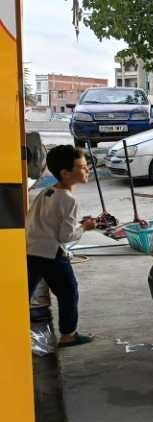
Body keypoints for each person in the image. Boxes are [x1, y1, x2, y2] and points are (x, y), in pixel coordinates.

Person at [26, 145, 97, 347]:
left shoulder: (46, 192)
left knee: (24, 293)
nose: (87, 170)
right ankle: (68, 335)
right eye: (82, 167)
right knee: (68, 292)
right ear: (66, 173)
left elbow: (41, 221)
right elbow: (65, 236)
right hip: (51, 254)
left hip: (31, 250)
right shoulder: (69, 200)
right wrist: (85, 226)